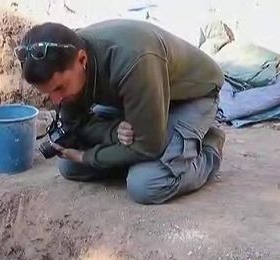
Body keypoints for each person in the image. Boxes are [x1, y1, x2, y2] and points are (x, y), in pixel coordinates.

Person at [17, 20, 226, 204]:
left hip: (190, 98)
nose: (56, 100)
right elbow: (75, 125)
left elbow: (148, 146)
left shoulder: (132, 59)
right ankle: (142, 152)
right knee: (69, 167)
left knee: (146, 184)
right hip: (137, 96)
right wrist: (113, 131)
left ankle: (208, 146)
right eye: (47, 93)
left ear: (82, 60)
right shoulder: (66, 57)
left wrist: (86, 157)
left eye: (59, 88)